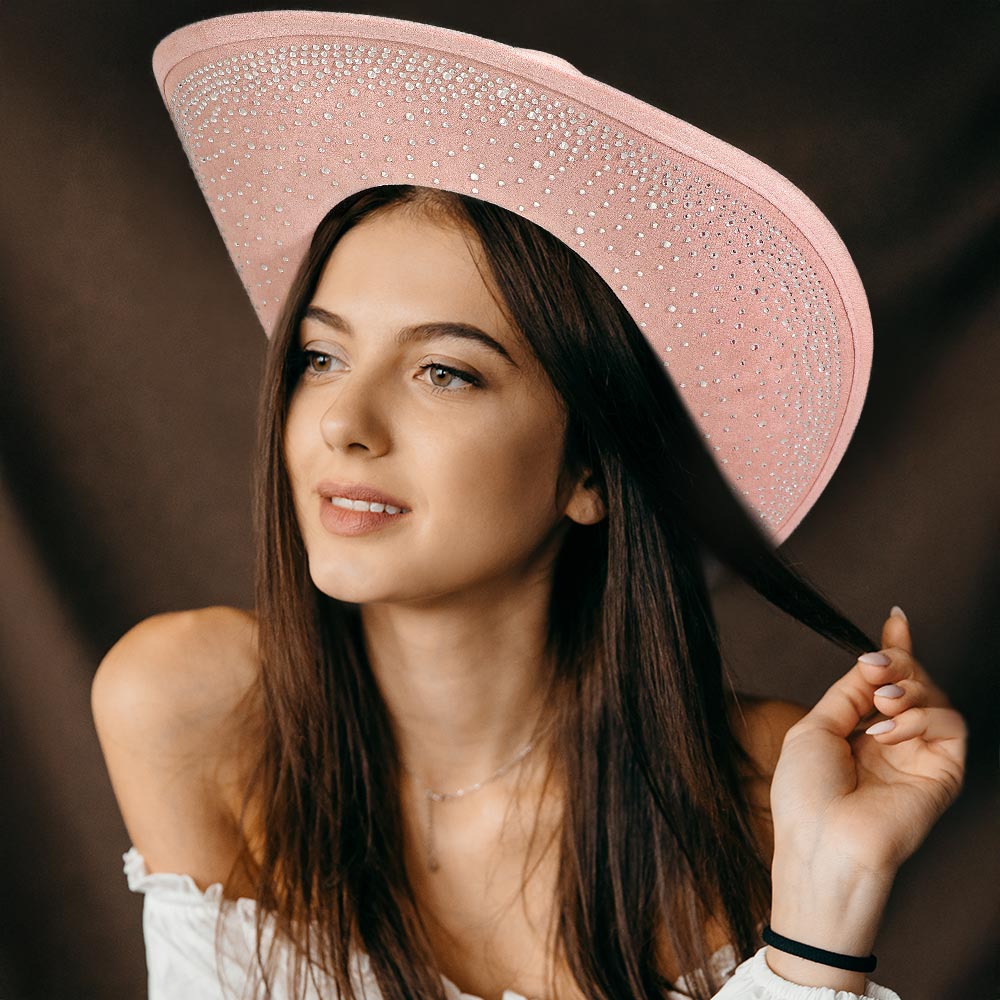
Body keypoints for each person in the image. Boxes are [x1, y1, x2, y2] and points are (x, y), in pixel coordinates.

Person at [91, 12, 967, 1000]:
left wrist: (827, 912)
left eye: (443, 372)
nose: (343, 422)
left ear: (589, 471)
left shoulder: (767, 786)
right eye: (321, 356)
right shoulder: (196, 710)